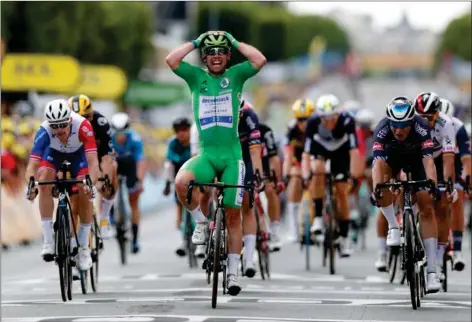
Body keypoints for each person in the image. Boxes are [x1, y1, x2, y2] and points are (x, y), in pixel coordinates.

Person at [166, 30, 266, 295]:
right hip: (207, 155)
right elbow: (172, 60)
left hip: (233, 157)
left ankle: (233, 273)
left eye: (222, 52)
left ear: (228, 56)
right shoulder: (196, 77)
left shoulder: (236, 76)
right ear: (204, 57)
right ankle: (200, 222)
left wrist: (233, 40)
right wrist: (197, 41)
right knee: (182, 182)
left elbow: (259, 60)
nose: (216, 57)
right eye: (210, 53)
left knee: (233, 215)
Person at [371, 96, 441, 292]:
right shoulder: (382, 128)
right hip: (392, 160)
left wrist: (432, 184)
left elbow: (428, 161)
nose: (399, 130)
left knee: (426, 205)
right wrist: (378, 188)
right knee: (382, 184)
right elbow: (377, 164)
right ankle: (393, 227)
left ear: (411, 121)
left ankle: (432, 273)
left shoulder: (421, 127)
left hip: (417, 160)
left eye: (403, 126)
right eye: (395, 125)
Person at [24, 99, 99, 271]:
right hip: (54, 154)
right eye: (55, 126)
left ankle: (83, 248)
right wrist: (30, 184)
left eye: (63, 125)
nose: (59, 130)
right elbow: (32, 166)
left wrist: (91, 183)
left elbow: (93, 163)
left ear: (70, 120)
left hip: (79, 156)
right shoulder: (44, 130)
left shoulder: (83, 126)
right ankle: (49, 241)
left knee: (83, 189)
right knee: (43, 179)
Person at [302, 94, 363, 257]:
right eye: (325, 118)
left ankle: (343, 238)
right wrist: (306, 174)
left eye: (332, 118)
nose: (329, 122)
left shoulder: (347, 121)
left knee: (342, 193)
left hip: (341, 153)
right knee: (317, 170)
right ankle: (319, 217)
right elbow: (306, 153)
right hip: (320, 150)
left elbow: (354, 151)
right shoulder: (313, 122)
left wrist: (354, 175)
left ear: (338, 115)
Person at [414, 92, 457, 282]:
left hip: (438, 160)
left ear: (437, 114)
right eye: (421, 117)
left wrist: (448, 186)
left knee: (442, 206)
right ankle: (403, 218)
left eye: (429, 117)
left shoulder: (446, 124)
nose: (426, 121)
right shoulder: (411, 123)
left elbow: (449, 160)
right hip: (416, 158)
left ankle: (438, 256)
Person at [68, 94, 117, 239]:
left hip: (98, 154)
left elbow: (107, 156)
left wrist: (105, 178)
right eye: (79, 118)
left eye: (87, 117)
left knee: (112, 168)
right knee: (74, 198)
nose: (84, 122)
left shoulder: (100, 122)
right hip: (78, 157)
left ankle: (104, 218)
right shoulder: (66, 126)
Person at [163, 117, 206, 258]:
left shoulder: (197, 142)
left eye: (184, 130)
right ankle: (183, 238)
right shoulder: (172, 144)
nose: (181, 134)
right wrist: (167, 184)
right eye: (177, 131)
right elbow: (169, 164)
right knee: (181, 206)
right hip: (179, 177)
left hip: (196, 175)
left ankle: (203, 231)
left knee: (200, 200)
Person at [439, 98, 470, 271]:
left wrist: (468, 180)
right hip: (433, 163)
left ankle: (457, 249)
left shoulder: (458, 128)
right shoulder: (427, 125)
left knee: (458, 198)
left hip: (454, 165)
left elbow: (466, 159)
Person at [110, 113, 146, 254]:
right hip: (115, 167)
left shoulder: (135, 139)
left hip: (131, 168)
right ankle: (111, 217)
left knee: (134, 201)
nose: (120, 136)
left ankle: (135, 239)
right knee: (108, 190)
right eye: (117, 133)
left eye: (123, 133)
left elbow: (141, 162)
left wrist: (140, 181)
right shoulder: (109, 139)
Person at [283, 99, 315, 242]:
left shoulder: (318, 126)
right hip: (298, 161)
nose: (303, 123)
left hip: (315, 158)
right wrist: (286, 174)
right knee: (294, 182)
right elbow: (288, 153)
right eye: (300, 120)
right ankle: (294, 229)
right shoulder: (291, 129)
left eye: (307, 119)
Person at [259, 121, 285, 251]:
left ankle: (274, 230)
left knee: (270, 189)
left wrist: (277, 180)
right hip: (243, 167)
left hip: (263, 168)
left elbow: (274, 158)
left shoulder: (264, 130)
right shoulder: (232, 130)